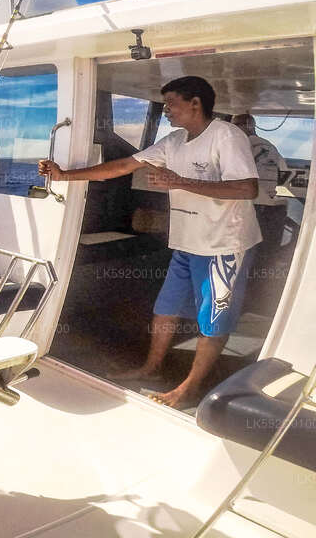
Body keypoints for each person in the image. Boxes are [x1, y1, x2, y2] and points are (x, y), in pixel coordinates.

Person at [39, 76, 260, 408]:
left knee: (212, 321)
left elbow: (247, 189)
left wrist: (179, 181)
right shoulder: (174, 141)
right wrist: (64, 176)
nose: (167, 110)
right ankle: (151, 368)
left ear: (195, 104)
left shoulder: (227, 136)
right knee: (165, 310)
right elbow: (124, 166)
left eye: (171, 103)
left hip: (223, 247)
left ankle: (189, 387)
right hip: (186, 245)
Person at [230, 113, 289, 255]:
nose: (232, 130)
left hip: (248, 206)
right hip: (269, 208)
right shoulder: (271, 146)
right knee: (259, 252)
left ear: (249, 125)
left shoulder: (239, 145)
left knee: (241, 251)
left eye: (235, 125)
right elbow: (284, 172)